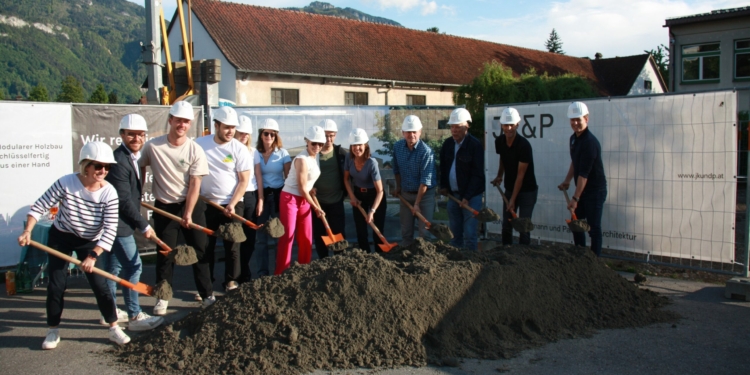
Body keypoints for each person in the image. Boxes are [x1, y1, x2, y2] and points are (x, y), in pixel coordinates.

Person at [18, 141, 130, 349]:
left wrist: (93, 255)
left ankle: (113, 327)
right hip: (61, 237)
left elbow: (110, 230)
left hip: (90, 242)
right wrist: (28, 230)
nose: (103, 171)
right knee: (56, 285)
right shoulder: (66, 182)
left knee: (100, 286)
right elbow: (40, 206)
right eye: (98, 166)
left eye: (107, 167)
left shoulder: (109, 193)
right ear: (86, 165)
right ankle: (53, 330)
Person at [139, 101, 214, 315]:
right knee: (165, 253)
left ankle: (207, 294)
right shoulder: (153, 146)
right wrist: (138, 189)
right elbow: (141, 166)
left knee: (200, 251)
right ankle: (162, 297)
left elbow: (195, 184)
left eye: (186, 121)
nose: (181, 124)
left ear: (190, 124)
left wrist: (188, 213)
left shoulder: (195, 150)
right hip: (165, 207)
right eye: (178, 120)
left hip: (191, 205)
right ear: (170, 120)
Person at [102, 114, 164, 331]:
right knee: (133, 266)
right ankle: (134, 315)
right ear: (122, 135)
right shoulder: (119, 161)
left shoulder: (131, 157)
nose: (136, 138)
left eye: (140, 135)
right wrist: (144, 225)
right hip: (118, 225)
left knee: (113, 267)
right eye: (131, 134)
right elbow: (123, 201)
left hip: (118, 222)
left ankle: (108, 311)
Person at [196, 107, 252, 292]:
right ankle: (206, 286)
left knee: (233, 245)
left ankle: (231, 282)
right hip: (206, 204)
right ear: (216, 125)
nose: (230, 132)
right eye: (226, 127)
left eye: (233, 127)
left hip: (233, 204)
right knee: (205, 247)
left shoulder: (239, 149)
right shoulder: (200, 144)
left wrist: (232, 204)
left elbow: (243, 181)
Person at [557, 101, 607, 256]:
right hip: (582, 190)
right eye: (573, 120)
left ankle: (595, 263)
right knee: (576, 223)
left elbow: (584, 175)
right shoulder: (574, 139)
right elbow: (575, 161)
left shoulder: (590, 143)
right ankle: (580, 257)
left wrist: (575, 198)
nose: (575, 123)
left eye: (578, 119)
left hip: (594, 191)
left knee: (593, 228)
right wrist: (567, 180)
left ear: (586, 119)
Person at [276, 125, 327, 275]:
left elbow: (306, 185)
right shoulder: (302, 159)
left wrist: (311, 189)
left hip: (304, 199)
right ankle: (281, 273)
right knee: (288, 237)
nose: (317, 147)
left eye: (320, 144)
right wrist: (316, 208)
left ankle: (304, 271)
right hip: (290, 198)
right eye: (314, 143)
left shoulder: (314, 157)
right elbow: (301, 188)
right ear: (307, 141)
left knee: (306, 237)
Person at [490, 107, 538, 245]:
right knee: (506, 225)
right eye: (506, 125)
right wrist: (500, 175)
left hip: (527, 191)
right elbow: (503, 159)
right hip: (510, 188)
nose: (509, 128)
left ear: (518, 124)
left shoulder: (524, 146)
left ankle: (523, 260)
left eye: (512, 125)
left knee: (523, 227)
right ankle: (506, 255)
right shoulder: (499, 142)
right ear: (501, 125)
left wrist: (512, 199)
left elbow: (520, 175)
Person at [439, 108, 485, 250]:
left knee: (470, 233)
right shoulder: (447, 144)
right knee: (454, 234)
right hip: (453, 196)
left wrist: (467, 196)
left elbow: (477, 175)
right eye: (452, 127)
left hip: (471, 198)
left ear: (467, 126)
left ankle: (470, 263)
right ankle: (456, 264)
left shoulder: (475, 145)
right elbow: (443, 168)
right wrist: (444, 186)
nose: (454, 130)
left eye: (458, 127)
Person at [391, 115, 437, 246]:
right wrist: (398, 187)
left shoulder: (426, 152)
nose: (411, 135)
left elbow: (425, 181)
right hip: (405, 193)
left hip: (424, 196)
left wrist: (417, 203)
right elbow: (396, 170)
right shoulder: (398, 147)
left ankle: (426, 262)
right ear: (403, 133)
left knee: (425, 232)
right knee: (406, 232)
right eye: (408, 132)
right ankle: (407, 259)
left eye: (414, 132)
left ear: (420, 132)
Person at [254, 118, 291, 276]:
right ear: (261, 135)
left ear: (276, 136)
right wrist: (260, 200)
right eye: (266, 133)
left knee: (277, 236)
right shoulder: (255, 153)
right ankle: (262, 272)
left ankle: (279, 271)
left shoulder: (283, 153)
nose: (269, 136)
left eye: (272, 134)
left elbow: (288, 177)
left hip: (277, 197)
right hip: (261, 197)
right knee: (261, 238)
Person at [343, 128, 387, 252]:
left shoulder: (371, 163)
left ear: (366, 145)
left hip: (375, 196)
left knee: (377, 230)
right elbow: (346, 179)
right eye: (354, 145)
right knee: (361, 231)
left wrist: (372, 211)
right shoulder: (349, 158)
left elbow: (380, 191)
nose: (357, 148)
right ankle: (365, 258)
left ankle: (380, 258)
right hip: (358, 195)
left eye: (360, 144)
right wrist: (352, 196)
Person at [311, 119, 348, 258]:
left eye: (331, 135)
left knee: (338, 234)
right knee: (320, 235)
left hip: (336, 201)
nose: (328, 139)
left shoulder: (340, 153)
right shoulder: (313, 154)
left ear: (336, 135)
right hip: (318, 203)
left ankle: (340, 262)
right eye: (326, 135)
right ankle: (323, 262)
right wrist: (310, 187)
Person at [234, 114, 264, 282]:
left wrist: (260, 199)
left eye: (246, 133)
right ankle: (235, 275)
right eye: (241, 132)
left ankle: (244, 273)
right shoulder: (229, 150)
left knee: (249, 238)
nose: (244, 136)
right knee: (235, 239)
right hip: (235, 197)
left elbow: (258, 176)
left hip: (250, 195)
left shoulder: (253, 152)